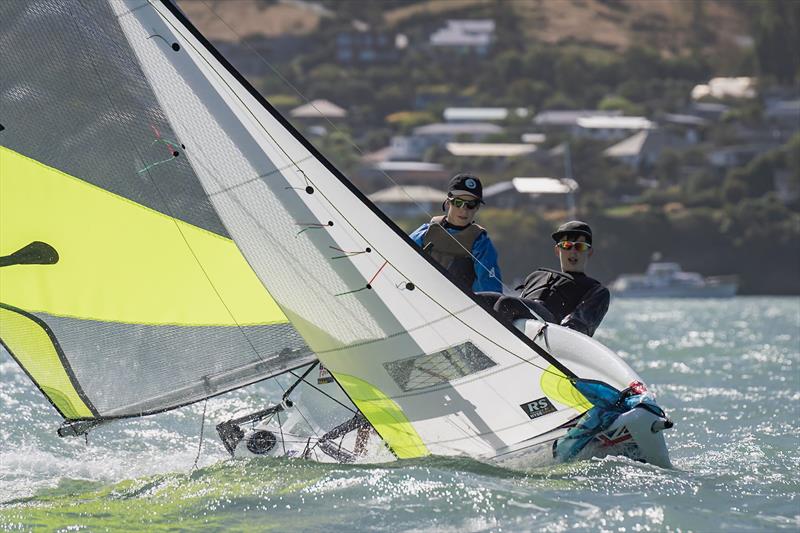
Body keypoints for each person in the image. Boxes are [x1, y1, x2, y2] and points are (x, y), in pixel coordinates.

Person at [477, 221, 609, 337]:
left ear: (590, 252)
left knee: (506, 303)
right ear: (557, 251)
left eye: (580, 246)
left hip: (552, 328)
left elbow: (579, 326)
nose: (573, 251)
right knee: (480, 298)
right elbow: (521, 300)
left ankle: (494, 354)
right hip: (523, 315)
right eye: (567, 245)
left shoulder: (597, 290)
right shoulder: (536, 276)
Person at [410, 173, 502, 293]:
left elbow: (491, 292)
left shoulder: (481, 244)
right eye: (458, 203)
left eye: (471, 204)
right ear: (448, 203)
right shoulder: (425, 233)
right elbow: (400, 258)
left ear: (477, 207)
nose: (464, 209)